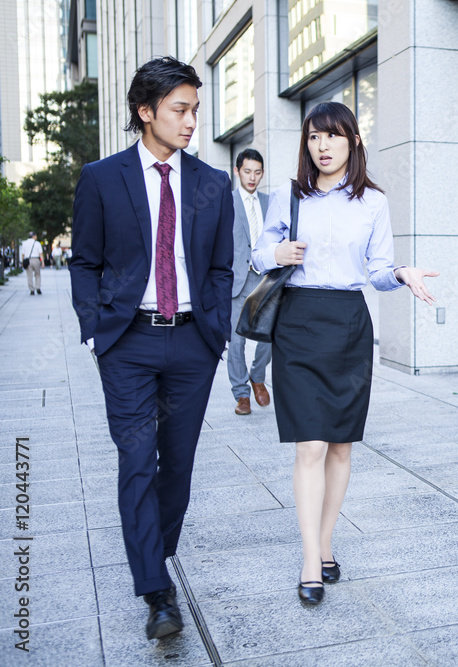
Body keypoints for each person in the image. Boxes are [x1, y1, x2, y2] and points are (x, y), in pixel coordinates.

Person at [69, 56, 234, 640]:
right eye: (179, 110)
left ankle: (151, 554)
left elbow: (219, 266)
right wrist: (95, 330)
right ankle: (156, 591)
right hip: (128, 343)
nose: (191, 122)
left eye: (195, 110)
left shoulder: (213, 184)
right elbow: (84, 260)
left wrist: (216, 330)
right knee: (137, 462)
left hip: (193, 342)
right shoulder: (101, 178)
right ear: (146, 112)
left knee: (178, 468)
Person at [252, 102, 438, 605]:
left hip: (349, 325)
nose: (322, 146)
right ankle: (311, 560)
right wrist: (276, 253)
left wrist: (401, 274)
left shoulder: (373, 202)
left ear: (353, 141)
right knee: (309, 444)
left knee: (340, 445)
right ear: (306, 144)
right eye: (314, 137)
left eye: (332, 136)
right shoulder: (289, 196)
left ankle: (327, 541)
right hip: (297, 321)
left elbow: (377, 269)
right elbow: (256, 253)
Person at [229, 148, 272, 415]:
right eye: (247, 172)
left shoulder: (269, 202)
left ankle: (258, 376)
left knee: (268, 335)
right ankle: (241, 394)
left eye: (257, 172)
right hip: (237, 280)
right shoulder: (226, 201)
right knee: (236, 341)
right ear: (237, 171)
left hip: (265, 278)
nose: (252, 177)